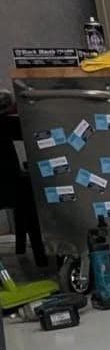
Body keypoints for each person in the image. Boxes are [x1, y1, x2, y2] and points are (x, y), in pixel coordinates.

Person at [0, 90, 45, 266]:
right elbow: (30, 131)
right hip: (8, 186)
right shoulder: (7, 123)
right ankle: (40, 255)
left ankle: (23, 246)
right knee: (28, 189)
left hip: (8, 184)